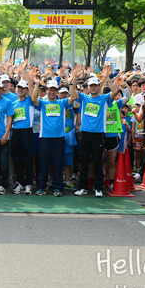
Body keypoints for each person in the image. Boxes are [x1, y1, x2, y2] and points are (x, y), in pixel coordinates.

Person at [30, 70, 79, 197]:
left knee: (58, 163)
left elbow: (73, 97)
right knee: (44, 164)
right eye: (49, 90)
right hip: (45, 138)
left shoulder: (62, 103)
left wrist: (71, 84)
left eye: (54, 90)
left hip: (59, 138)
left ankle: (58, 187)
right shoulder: (43, 103)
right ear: (46, 91)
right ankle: (41, 187)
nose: (51, 92)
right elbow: (33, 98)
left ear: (57, 92)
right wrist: (36, 84)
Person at [74, 67, 118, 198]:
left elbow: (115, 92)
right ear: (87, 87)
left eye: (95, 86)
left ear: (99, 86)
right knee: (84, 162)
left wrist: (107, 78)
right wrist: (75, 78)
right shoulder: (84, 98)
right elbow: (73, 94)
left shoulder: (104, 98)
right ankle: (82, 187)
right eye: (91, 86)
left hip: (99, 135)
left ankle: (98, 188)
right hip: (85, 134)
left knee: (98, 162)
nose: (93, 88)